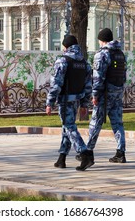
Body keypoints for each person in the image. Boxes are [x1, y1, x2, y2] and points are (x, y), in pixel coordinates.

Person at [46, 35, 94, 171]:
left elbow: (56, 84)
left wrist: (50, 102)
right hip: (77, 99)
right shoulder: (84, 63)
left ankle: (84, 154)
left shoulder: (62, 61)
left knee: (69, 126)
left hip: (65, 100)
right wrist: (84, 104)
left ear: (65, 47)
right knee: (66, 127)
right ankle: (62, 158)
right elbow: (88, 86)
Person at [84, 28, 127, 163]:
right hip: (117, 93)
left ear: (101, 40)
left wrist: (95, 94)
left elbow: (98, 77)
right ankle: (121, 152)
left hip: (105, 94)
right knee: (118, 123)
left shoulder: (102, 54)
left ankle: (88, 152)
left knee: (95, 123)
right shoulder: (120, 54)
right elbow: (124, 75)